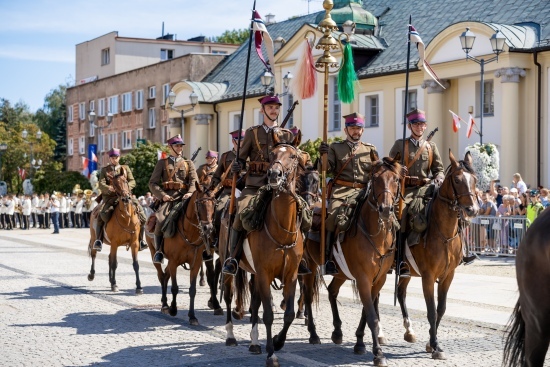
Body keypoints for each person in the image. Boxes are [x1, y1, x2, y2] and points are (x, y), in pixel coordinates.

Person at [222, 95, 309, 275]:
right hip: (254, 185)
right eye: (269, 107)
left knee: (303, 213)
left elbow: (297, 155)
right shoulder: (252, 133)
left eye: (276, 108)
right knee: (240, 213)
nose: (273, 110)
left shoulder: (286, 134)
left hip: (280, 186)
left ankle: (300, 256)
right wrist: (238, 165)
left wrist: (305, 156)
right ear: (262, 110)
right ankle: (233, 258)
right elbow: (241, 157)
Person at [389, 109, 475, 277]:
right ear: (409, 126)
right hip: (406, 190)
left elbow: (439, 169)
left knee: (454, 211)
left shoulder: (430, 146)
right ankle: (399, 259)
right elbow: (390, 166)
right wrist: (399, 170)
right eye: (416, 124)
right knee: (402, 214)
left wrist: (439, 177)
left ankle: (462, 252)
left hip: (426, 188)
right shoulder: (400, 145)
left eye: (422, 124)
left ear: (425, 126)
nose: (419, 127)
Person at [318, 113, 377, 275]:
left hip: (364, 191)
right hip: (342, 192)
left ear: (363, 130)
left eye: (358, 128)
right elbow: (324, 171)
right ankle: (328, 257)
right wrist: (322, 156)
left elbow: (377, 171)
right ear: (346, 129)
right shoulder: (336, 148)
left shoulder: (370, 149)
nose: (356, 131)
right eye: (352, 128)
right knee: (332, 217)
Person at [149, 134, 198, 264]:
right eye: (177, 145)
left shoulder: (188, 163)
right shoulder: (162, 163)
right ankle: (159, 251)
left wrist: (190, 192)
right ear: (170, 147)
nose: (180, 148)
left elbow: (194, 181)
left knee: (202, 217)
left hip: (184, 197)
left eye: (181, 145)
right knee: (160, 219)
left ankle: (204, 249)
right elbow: (152, 183)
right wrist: (162, 195)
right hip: (168, 198)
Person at [93, 148, 147, 252]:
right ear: (110, 158)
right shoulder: (105, 170)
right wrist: (109, 188)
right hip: (111, 197)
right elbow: (101, 184)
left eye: (116, 157)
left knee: (143, 217)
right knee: (102, 214)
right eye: (112, 158)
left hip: (125, 196)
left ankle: (140, 240)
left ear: (119, 157)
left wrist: (125, 190)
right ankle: (98, 240)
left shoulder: (125, 168)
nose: (114, 159)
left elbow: (132, 181)